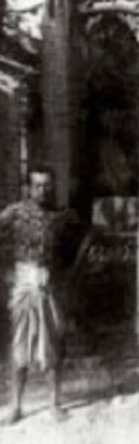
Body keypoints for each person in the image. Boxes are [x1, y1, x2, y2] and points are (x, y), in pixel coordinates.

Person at [0, 165, 79, 423]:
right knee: (19, 345)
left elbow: (82, 242)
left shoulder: (62, 217)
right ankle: (16, 406)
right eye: (37, 185)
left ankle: (54, 404)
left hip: (52, 285)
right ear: (28, 187)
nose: (43, 190)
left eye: (47, 185)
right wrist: (7, 274)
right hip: (22, 283)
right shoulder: (13, 214)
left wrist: (66, 275)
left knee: (54, 343)